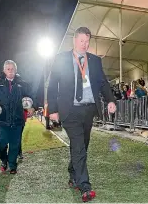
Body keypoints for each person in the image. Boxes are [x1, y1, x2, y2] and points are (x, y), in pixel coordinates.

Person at [47, 27, 116, 202]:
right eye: (81, 41)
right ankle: (84, 186)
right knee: (78, 146)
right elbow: (52, 84)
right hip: (70, 110)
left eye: (87, 41)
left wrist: (111, 100)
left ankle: (72, 172)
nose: (85, 45)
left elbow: (103, 83)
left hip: (88, 109)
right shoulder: (61, 59)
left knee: (83, 145)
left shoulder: (94, 61)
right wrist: (53, 110)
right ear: (74, 40)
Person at [0, 60, 35, 174]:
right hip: (2, 120)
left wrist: (32, 107)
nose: (11, 71)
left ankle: (12, 165)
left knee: (15, 145)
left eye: (13, 69)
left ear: (16, 70)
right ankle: (4, 160)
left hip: (18, 120)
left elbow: (32, 96)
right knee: (2, 144)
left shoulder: (23, 84)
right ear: (4, 70)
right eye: (8, 69)